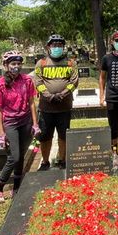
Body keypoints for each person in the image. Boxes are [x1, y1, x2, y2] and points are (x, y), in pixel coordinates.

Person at [0, 51, 40, 203]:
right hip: (10, 123)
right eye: (13, 64)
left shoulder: (27, 80)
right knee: (14, 157)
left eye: (19, 63)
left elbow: (32, 102)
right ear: (6, 65)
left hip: (25, 121)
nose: (16, 66)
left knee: (21, 155)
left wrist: (35, 123)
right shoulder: (0, 84)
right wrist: (1, 133)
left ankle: (17, 187)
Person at [33, 34, 79, 170]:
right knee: (45, 137)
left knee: (63, 136)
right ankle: (45, 162)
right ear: (48, 47)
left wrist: (62, 94)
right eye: (54, 45)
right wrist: (49, 96)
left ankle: (62, 160)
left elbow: (74, 82)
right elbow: (38, 81)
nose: (57, 47)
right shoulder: (41, 63)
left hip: (64, 107)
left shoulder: (71, 63)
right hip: (46, 108)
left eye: (60, 45)